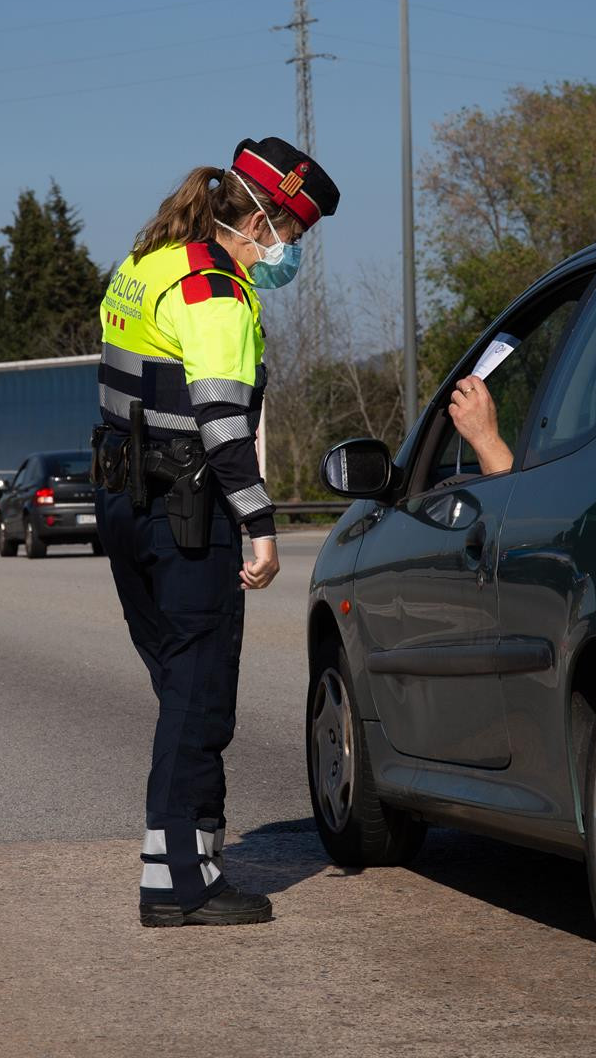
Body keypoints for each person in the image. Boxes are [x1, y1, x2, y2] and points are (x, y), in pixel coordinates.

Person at [92, 136, 339, 928]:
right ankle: (175, 887)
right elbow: (224, 424)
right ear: (263, 219)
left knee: (180, 689)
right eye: (292, 236)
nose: (289, 254)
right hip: (186, 514)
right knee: (199, 699)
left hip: (126, 505)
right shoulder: (217, 292)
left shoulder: (148, 262)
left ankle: (198, 853)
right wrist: (260, 526)